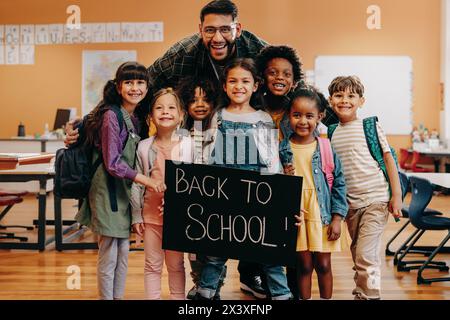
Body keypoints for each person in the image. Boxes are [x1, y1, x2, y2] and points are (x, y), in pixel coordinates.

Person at [195, 58, 291, 300]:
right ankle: (205, 294)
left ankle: (281, 294)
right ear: (225, 87)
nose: (239, 86)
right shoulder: (217, 116)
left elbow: (271, 160)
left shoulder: (264, 118)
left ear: (256, 85)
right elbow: (207, 156)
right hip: (223, 192)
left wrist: (276, 194)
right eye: (233, 81)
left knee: (268, 250)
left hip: (257, 192)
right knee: (216, 251)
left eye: (245, 81)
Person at [75, 62, 165, 300]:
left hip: (123, 192)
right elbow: (113, 163)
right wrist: (147, 180)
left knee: (123, 251)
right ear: (118, 86)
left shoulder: (137, 118)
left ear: (147, 86)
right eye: (128, 82)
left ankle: (117, 297)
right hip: (106, 190)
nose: (134, 88)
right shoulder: (110, 116)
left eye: (140, 82)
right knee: (109, 252)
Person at [327, 75, 402, 300]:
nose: (345, 100)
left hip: (376, 199)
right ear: (330, 100)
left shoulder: (370, 126)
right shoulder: (331, 132)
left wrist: (396, 195)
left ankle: (370, 295)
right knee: (358, 253)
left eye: (351, 95)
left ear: (361, 101)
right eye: (339, 95)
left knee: (365, 255)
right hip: (351, 205)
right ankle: (363, 291)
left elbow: (389, 159)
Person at [284, 86, 348, 300]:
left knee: (323, 264)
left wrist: (338, 218)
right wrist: (283, 174)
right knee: (303, 266)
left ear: (320, 116)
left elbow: (339, 184)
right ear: (288, 116)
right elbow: (274, 185)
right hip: (297, 216)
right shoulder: (282, 149)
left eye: (309, 116)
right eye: (296, 115)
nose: (303, 121)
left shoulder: (326, 147)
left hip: (323, 214)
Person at [130, 88, 193, 300]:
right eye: (159, 108)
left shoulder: (189, 146)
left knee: (176, 265)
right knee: (152, 265)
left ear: (182, 115)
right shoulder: (144, 147)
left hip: (179, 219)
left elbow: (196, 183)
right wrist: (136, 215)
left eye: (171, 107)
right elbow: (137, 184)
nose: (165, 112)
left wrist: (181, 203)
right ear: (150, 117)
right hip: (151, 218)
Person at [175, 76, 227, 300]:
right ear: (185, 104)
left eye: (205, 99)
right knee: (194, 252)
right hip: (191, 203)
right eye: (194, 100)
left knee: (216, 251)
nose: (200, 104)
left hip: (216, 199)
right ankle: (200, 284)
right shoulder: (180, 132)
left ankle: (213, 289)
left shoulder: (220, 130)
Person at [148, 0, 268, 92]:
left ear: (237, 30)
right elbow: (145, 83)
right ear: (200, 30)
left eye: (225, 30)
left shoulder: (259, 52)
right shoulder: (182, 54)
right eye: (210, 30)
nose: (217, 39)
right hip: (198, 121)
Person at [255, 45, 339, 166]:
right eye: (272, 73)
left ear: (294, 82)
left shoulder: (300, 113)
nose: (279, 77)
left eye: (287, 74)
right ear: (263, 77)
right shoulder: (253, 110)